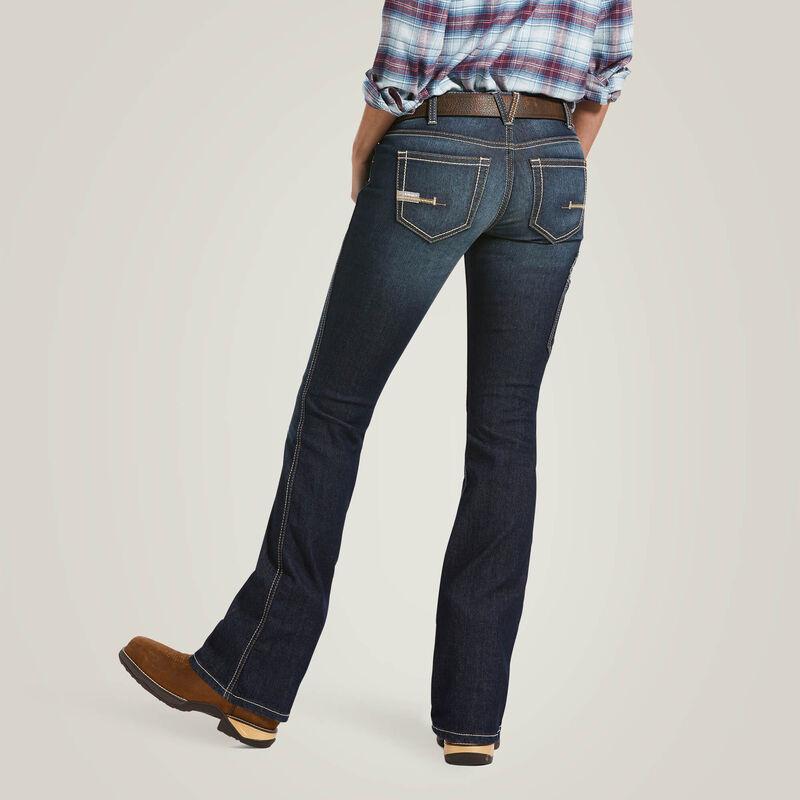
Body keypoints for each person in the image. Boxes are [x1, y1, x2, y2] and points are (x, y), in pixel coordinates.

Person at [119, 0, 633, 766]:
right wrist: (544, 161)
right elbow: (610, 66)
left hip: (440, 146)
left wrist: (367, 142)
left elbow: (412, 43)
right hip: (555, 163)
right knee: (505, 432)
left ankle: (250, 683)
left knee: (334, 412)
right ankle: (471, 717)